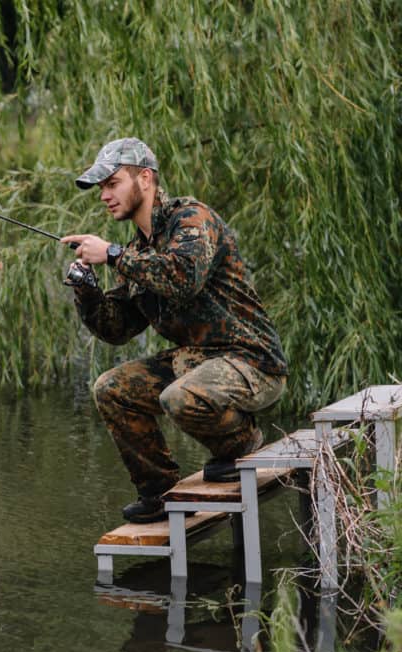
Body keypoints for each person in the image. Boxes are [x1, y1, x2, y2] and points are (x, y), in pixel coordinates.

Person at [60, 138, 288, 523]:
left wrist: (113, 254)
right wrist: (86, 289)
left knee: (179, 397)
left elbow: (182, 278)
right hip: (196, 363)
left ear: (144, 179)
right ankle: (158, 491)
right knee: (112, 389)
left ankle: (240, 442)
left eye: (112, 183)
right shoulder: (139, 249)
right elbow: (117, 327)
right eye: (101, 188)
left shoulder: (191, 219)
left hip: (252, 362)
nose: (104, 196)